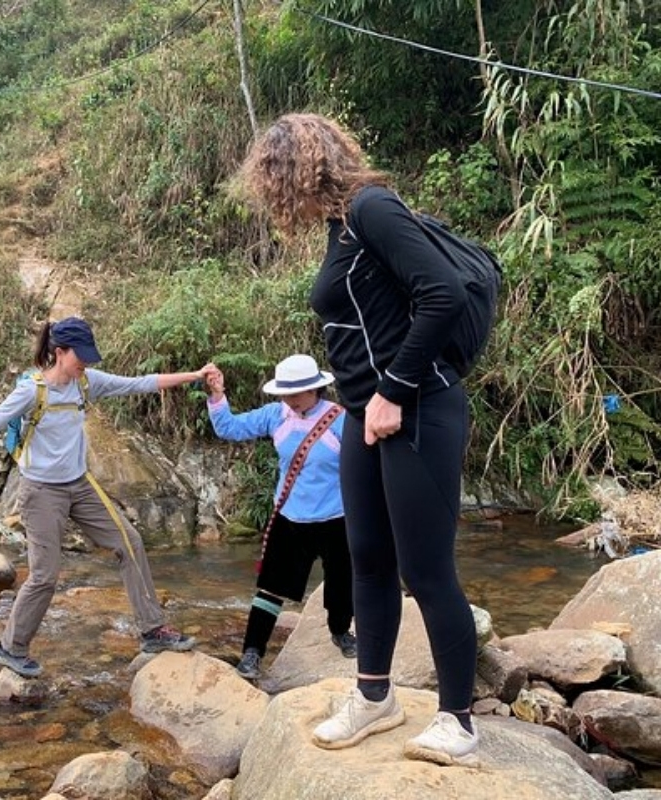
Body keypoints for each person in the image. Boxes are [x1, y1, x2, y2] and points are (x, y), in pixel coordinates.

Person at [238, 113, 479, 767]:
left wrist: (393, 390)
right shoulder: (340, 225)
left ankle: (459, 721)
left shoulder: (372, 208)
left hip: (417, 409)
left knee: (426, 571)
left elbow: (445, 293)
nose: (272, 195)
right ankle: (375, 697)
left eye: (274, 179)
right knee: (368, 559)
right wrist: (368, 403)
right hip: (363, 415)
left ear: (300, 169)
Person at [0, 316, 211, 678]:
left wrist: (193, 375)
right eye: (79, 355)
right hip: (41, 492)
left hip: (80, 485)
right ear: (59, 351)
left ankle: (153, 630)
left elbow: (141, 383)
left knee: (129, 542)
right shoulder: (32, 391)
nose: (86, 362)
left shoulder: (86, 383)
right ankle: (11, 648)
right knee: (45, 575)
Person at [205, 355, 355, 681]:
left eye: (296, 393)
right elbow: (229, 428)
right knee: (271, 589)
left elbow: (367, 465)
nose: (289, 399)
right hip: (290, 518)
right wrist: (217, 395)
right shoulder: (276, 415)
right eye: (285, 393)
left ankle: (340, 632)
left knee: (343, 581)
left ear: (316, 389)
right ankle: (252, 652)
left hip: (337, 517)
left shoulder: (342, 420)